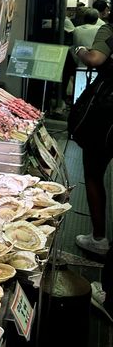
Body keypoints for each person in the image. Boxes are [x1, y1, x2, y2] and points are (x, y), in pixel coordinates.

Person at [72, 21, 113, 255]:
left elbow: (95, 58)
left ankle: (98, 238)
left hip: (106, 115)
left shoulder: (109, 29)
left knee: (94, 173)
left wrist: (80, 50)